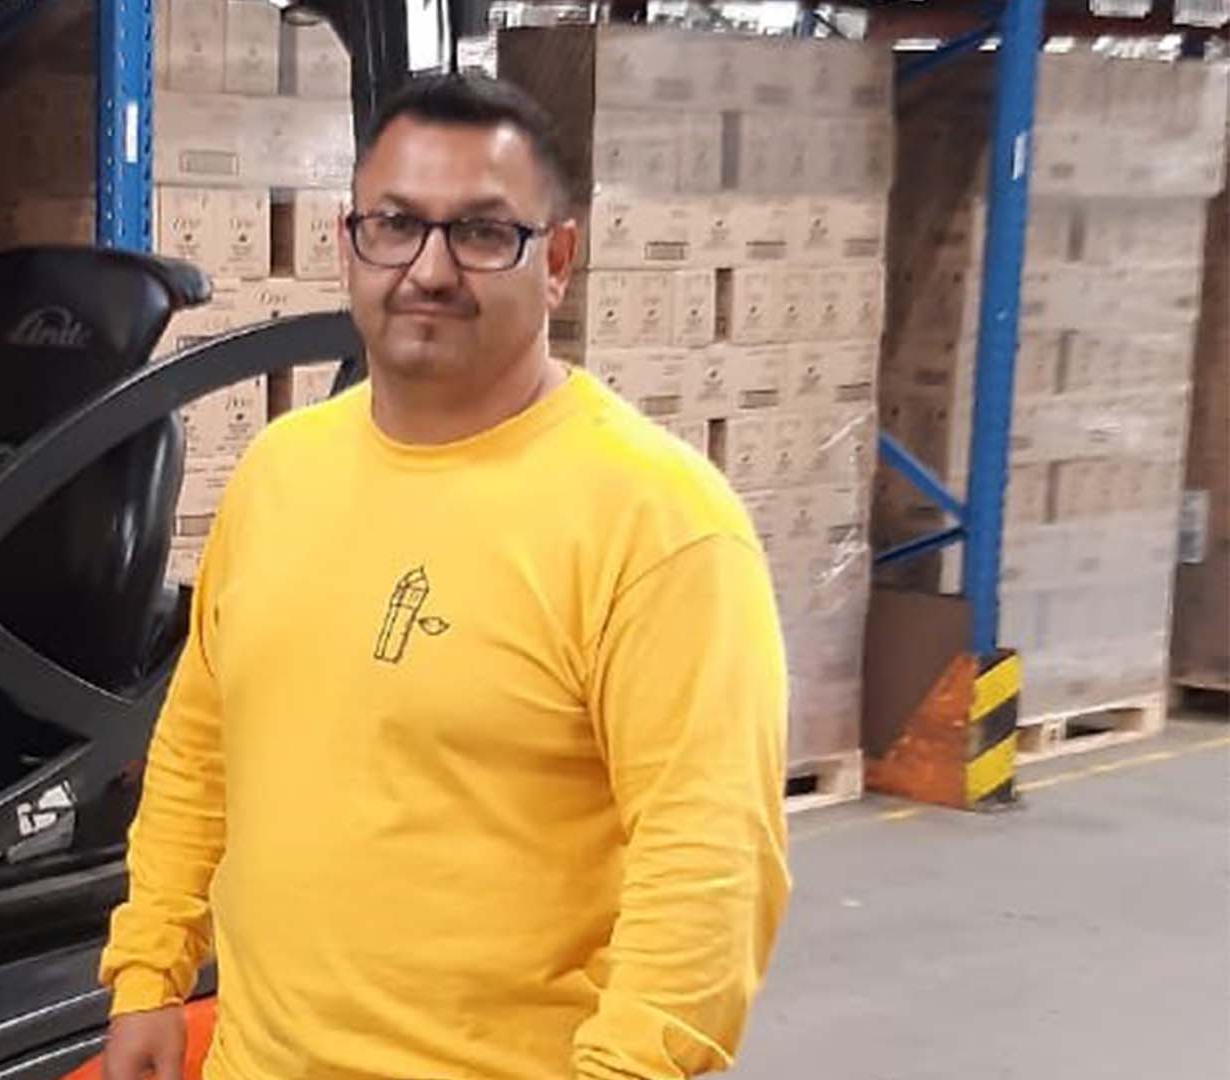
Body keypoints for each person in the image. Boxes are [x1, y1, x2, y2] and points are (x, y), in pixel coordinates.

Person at [99, 73, 792, 1080]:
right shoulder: (280, 475)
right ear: (349, 245)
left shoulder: (657, 525)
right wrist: (150, 976)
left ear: (556, 259)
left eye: (480, 233)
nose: (428, 269)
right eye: (395, 225)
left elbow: (707, 867)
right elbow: (200, 750)